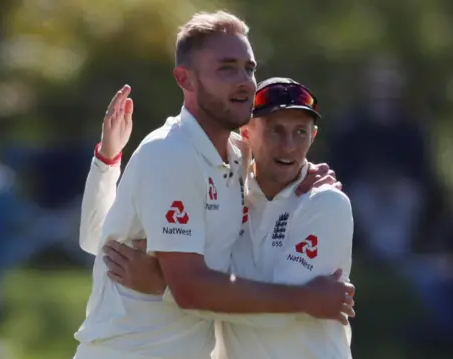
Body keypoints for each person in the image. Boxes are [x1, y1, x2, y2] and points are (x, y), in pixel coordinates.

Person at [73, 11, 354, 359]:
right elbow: (190, 291)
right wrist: (308, 299)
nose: (245, 82)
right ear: (185, 79)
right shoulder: (170, 154)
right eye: (226, 68)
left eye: (249, 68)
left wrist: (303, 178)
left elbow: (97, 239)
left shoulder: (239, 158)